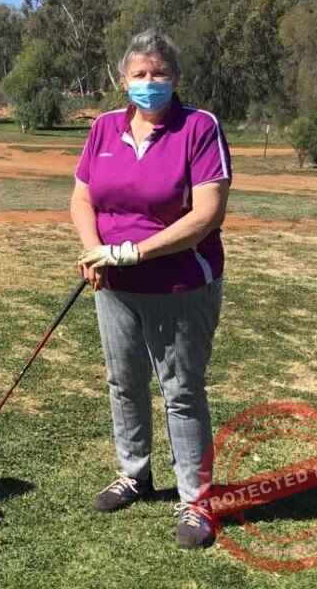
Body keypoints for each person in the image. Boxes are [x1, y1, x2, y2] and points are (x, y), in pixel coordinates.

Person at [70, 30, 231, 549]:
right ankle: (134, 474)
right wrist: (96, 249)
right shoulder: (104, 129)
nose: (149, 83)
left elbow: (207, 214)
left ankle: (196, 502)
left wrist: (135, 252)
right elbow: (82, 198)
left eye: (159, 74)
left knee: (181, 391)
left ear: (175, 78)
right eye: (139, 75)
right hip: (114, 283)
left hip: (180, 282)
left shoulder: (199, 127)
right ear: (124, 80)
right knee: (124, 382)